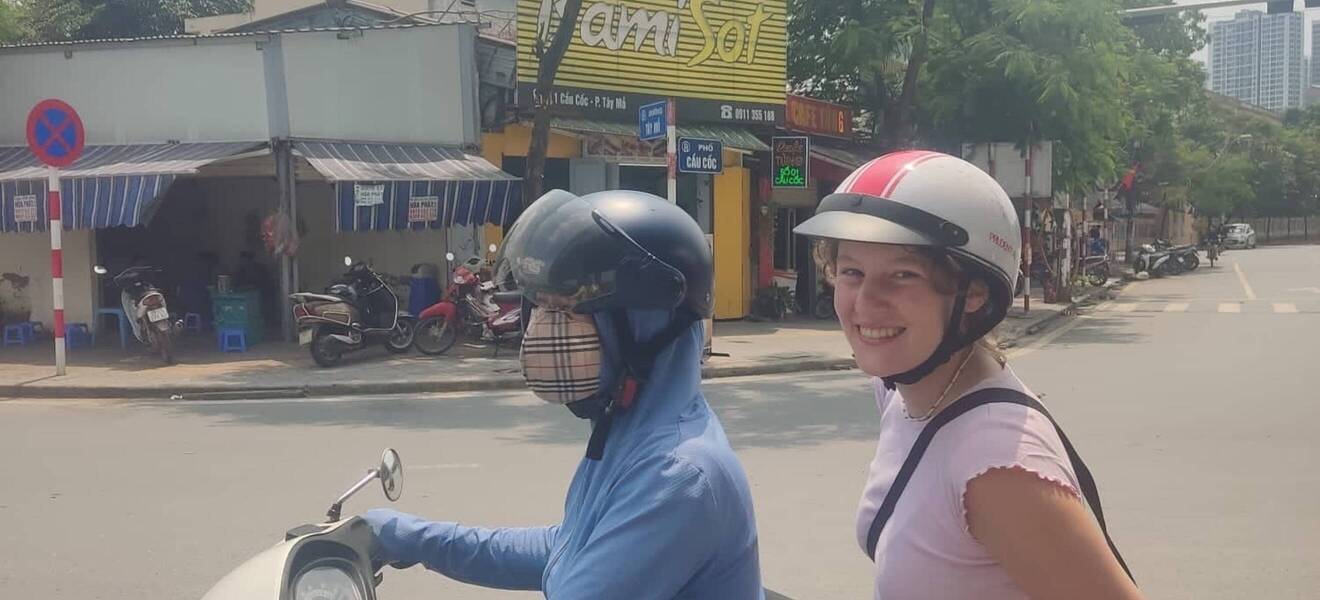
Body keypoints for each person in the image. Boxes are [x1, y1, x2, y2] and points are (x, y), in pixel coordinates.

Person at [364, 190, 762, 599]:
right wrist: (412, 537)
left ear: (645, 326)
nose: (545, 328)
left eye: (568, 311)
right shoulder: (632, 433)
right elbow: (566, 551)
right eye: (543, 308)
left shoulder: (678, 476)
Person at [793, 151, 1141, 600]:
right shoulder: (903, 393)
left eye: (903, 274)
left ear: (973, 292)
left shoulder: (993, 461)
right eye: (851, 272)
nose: (865, 301)